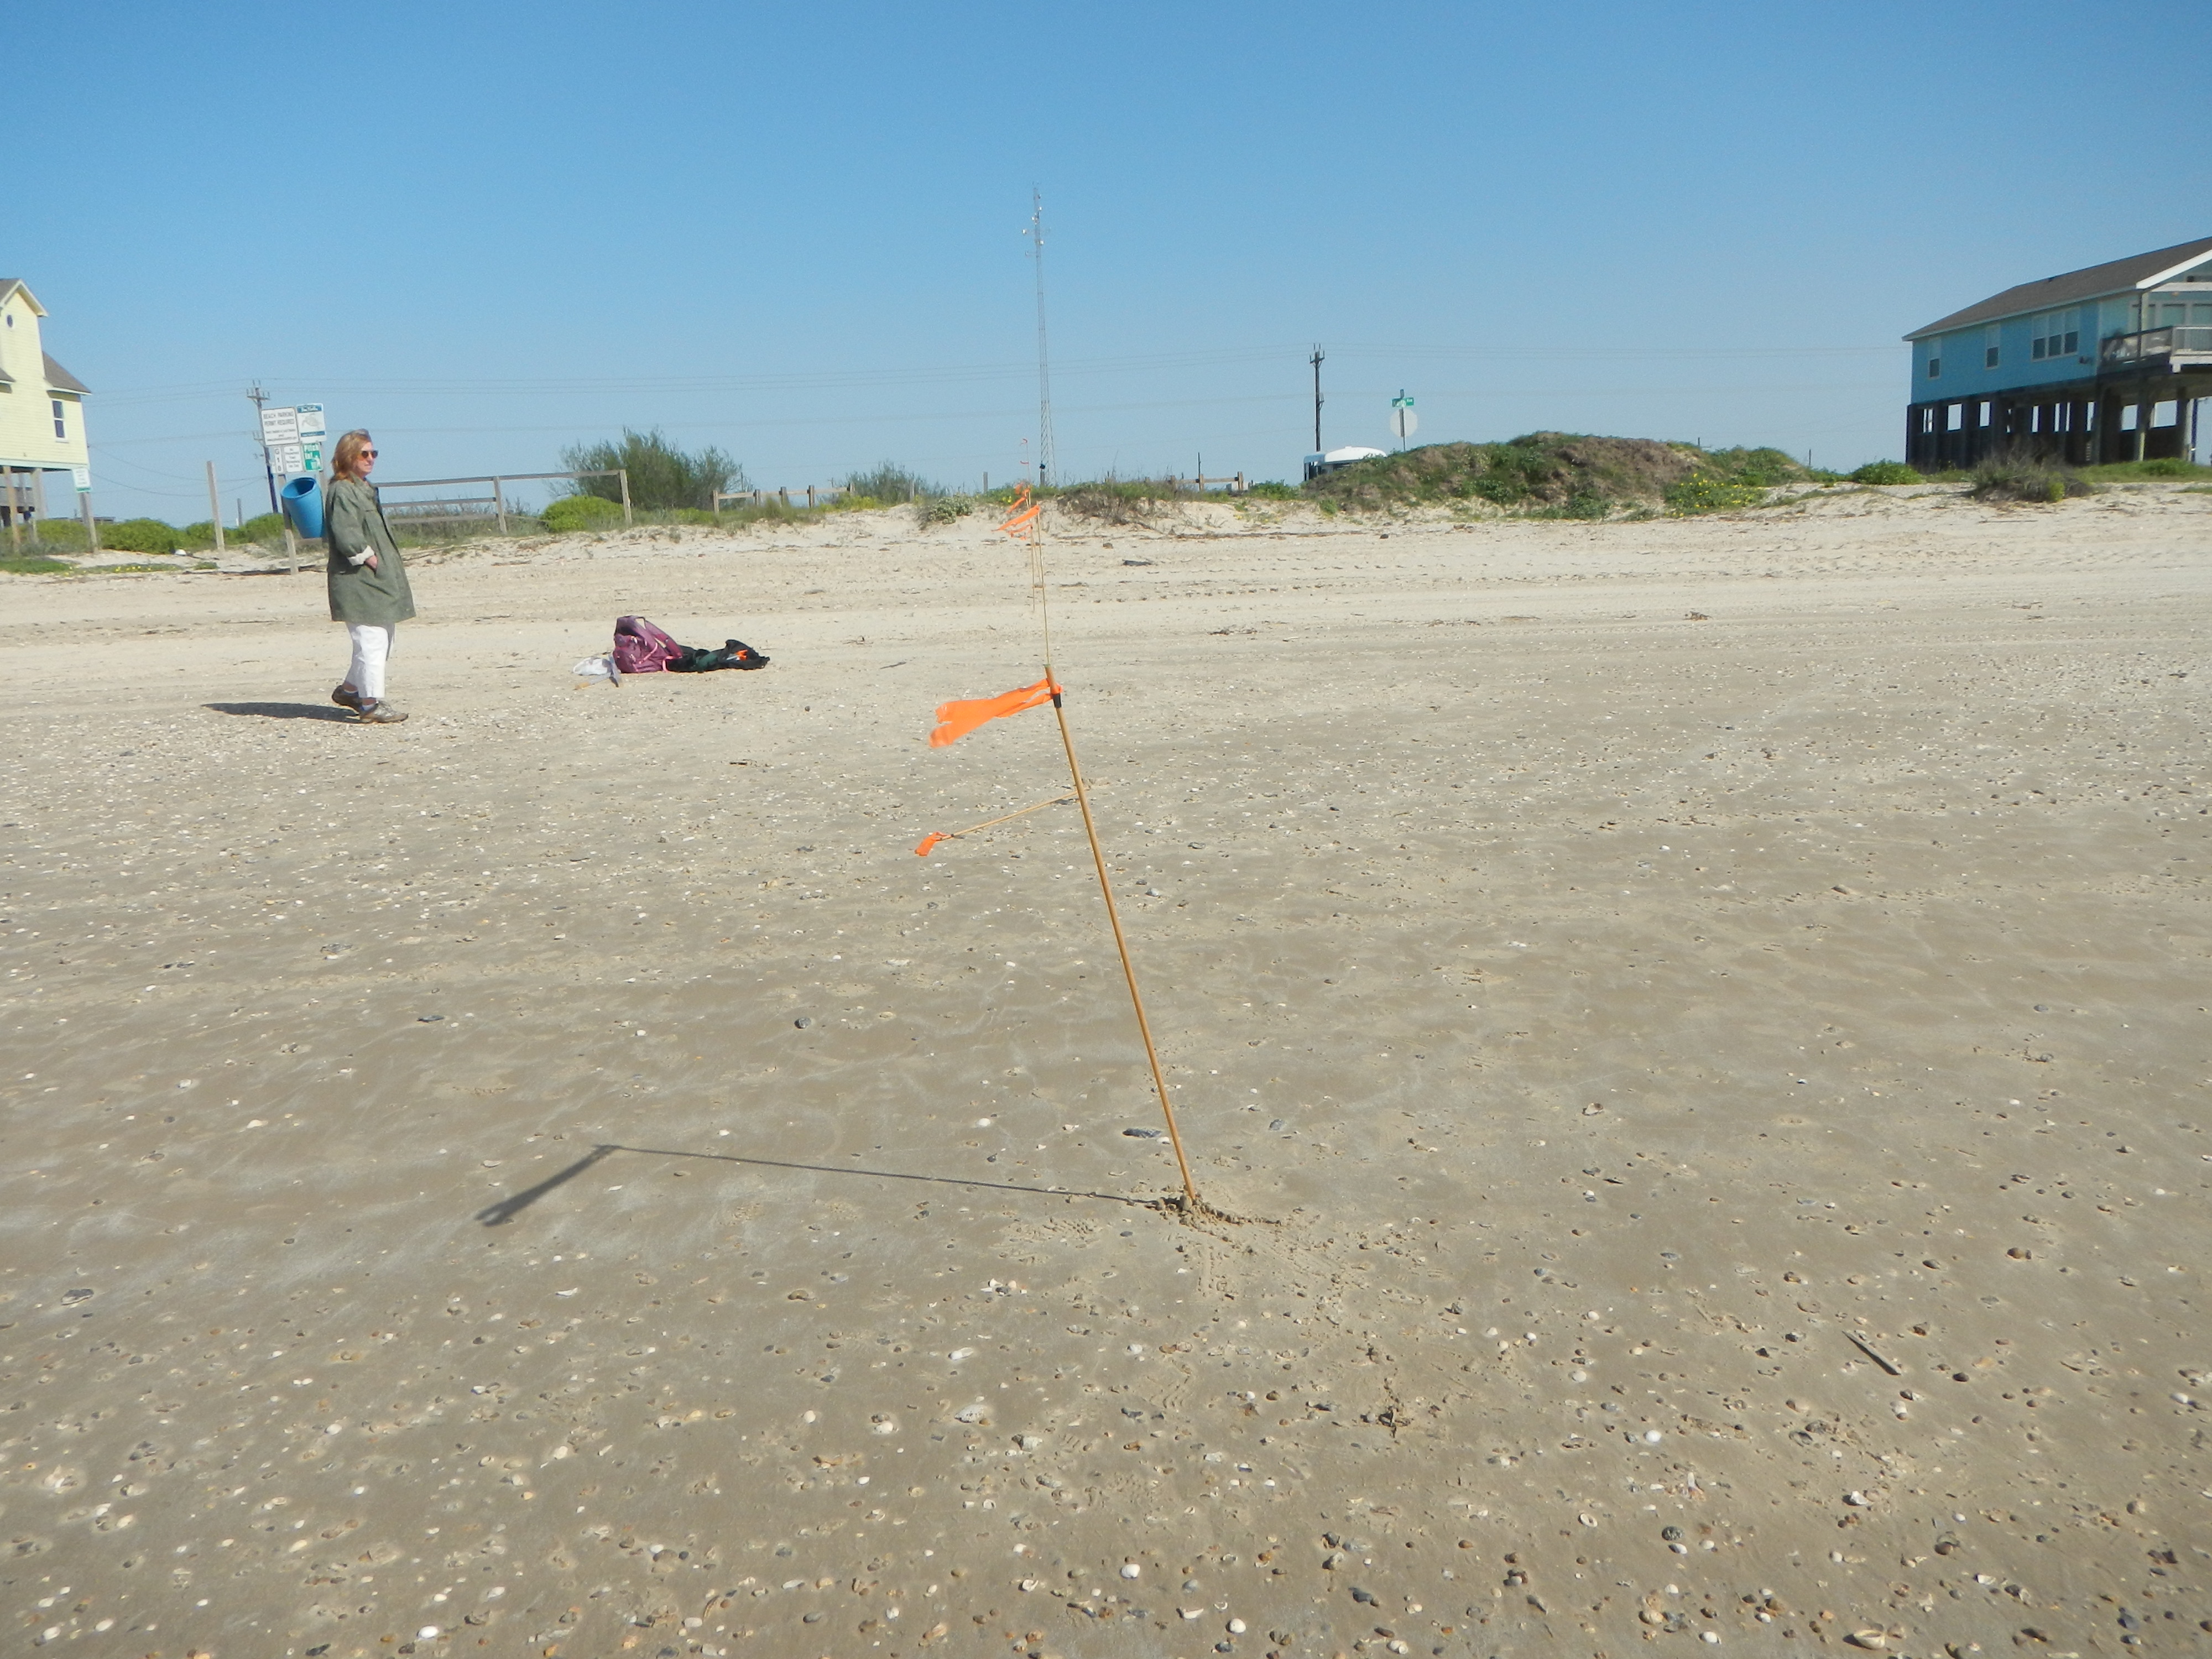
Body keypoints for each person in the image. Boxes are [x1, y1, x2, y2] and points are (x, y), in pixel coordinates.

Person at [324, 429, 415, 724]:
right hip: (357, 579)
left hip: (376, 578)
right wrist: (369, 559)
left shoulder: (363, 487)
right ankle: (371, 704)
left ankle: (351, 691)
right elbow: (346, 533)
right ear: (347, 456)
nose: (371, 459)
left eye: (374, 453)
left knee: (383, 638)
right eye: (364, 453)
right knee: (371, 640)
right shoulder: (343, 490)